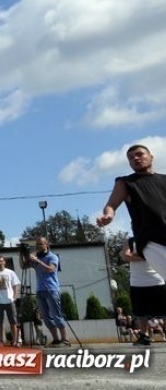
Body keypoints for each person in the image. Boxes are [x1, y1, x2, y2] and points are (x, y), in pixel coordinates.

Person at [97, 144, 166, 289]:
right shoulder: (126, 183)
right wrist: (108, 215)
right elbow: (111, 205)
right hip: (151, 241)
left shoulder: (163, 180)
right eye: (131, 158)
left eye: (140, 154)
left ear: (151, 157)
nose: (135, 158)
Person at [21, 236, 69, 346]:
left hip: (51, 289)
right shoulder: (36, 257)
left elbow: (50, 269)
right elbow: (23, 266)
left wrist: (37, 260)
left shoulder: (52, 257)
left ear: (46, 244)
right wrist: (22, 255)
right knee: (46, 317)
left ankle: (65, 339)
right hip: (40, 290)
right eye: (36, 245)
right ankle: (56, 339)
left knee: (56, 315)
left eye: (40, 244)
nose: (37, 246)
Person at [123, 237, 166, 346]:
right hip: (137, 282)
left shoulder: (156, 238)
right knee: (141, 312)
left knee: (164, 311)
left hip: (157, 279)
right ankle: (144, 336)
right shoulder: (130, 241)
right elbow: (126, 255)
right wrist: (145, 257)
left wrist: (136, 256)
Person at [0, 256, 22, 346]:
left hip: (10, 300)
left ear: (4, 262)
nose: (0, 263)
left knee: (13, 322)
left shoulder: (10, 272)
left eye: (1, 261)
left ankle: (15, 341)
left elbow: (15, 285)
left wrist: (15, 296)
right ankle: (1, 341)